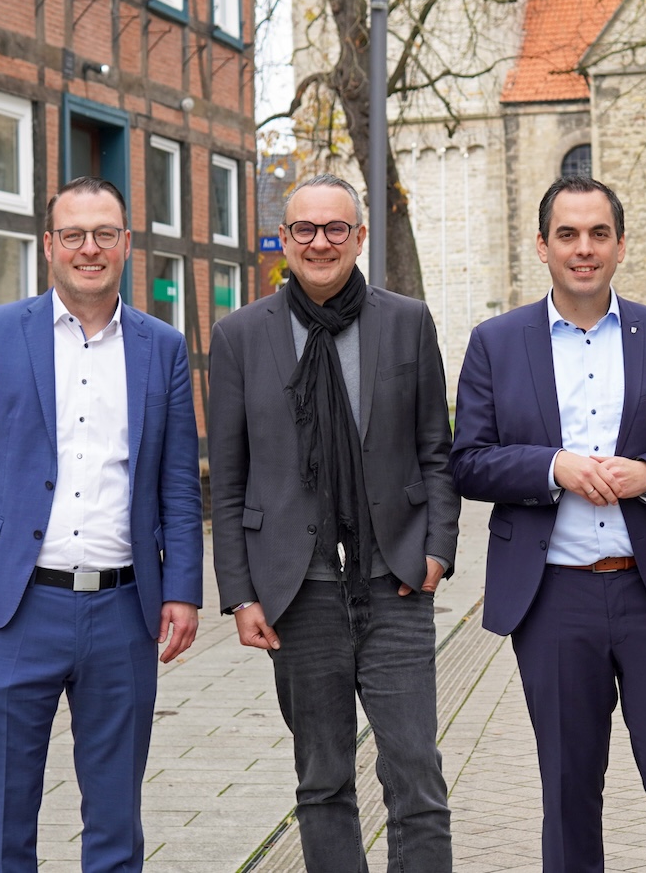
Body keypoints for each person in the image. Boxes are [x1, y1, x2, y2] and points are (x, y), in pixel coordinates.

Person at [450, 176, 646, 873]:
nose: (584, 248)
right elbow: (469, 462)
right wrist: (555, 468)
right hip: (553, 598)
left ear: (620, 246)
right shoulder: (495, 343)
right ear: (542, 246)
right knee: (569, 791)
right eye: (568, 234)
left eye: (598, 234)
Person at [0, 176, 204, 871]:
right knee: (3, 818)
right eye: (75, 234)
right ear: (50, 244)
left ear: (126, 244)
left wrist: (183, 590)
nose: (90, 249)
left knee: (115, 820)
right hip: (13, 609)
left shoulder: (163, 347)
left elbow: (178, 483)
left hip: (124, 612)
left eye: (104, 234)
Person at [208, 173, 460, 870]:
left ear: (360, 236)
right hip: (297, 591)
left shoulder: (406, 321)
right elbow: (228, 478)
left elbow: (436, 450)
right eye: (306, 229)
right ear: (284, 239)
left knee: (416, 775)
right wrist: (241, 594)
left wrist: (437, 549)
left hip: (395, 581)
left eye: (336, 228)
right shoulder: (239, 336)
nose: (321, 242)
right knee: (322, 782)